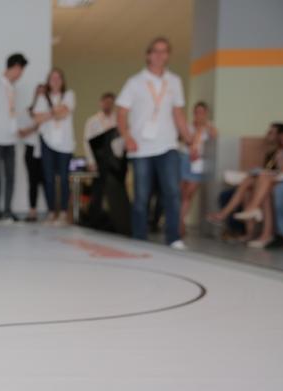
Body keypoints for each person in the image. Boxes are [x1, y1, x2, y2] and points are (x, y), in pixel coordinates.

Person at [117, 36, 192, 250]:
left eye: (164, 51)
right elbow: (121, 113)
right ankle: (139, 238)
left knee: (172, 192)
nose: (160, 55)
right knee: (142, 196)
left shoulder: (174, 81)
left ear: (168, 55)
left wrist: (189, 140)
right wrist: (127, 137)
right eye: (156, 51)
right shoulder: (135, 82)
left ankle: (173, 237)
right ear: (148, 55)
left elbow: (178, 114)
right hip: (140, 148)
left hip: (168, 145)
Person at [208, 123, 282, 242]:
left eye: (271, 132)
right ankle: (249, 231)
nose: (268, 135)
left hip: (272, 183)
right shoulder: (271, 152)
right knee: (245, 188)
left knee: (247, 188)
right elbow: (268, 170)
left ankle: (230, 214)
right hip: (263, 182)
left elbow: (278, 172)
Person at [0, 53, 28, 222]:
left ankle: (7, 212)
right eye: (21, 70)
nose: (21, 74)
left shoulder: (12, 87)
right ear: (15, 67)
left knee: (11, 177)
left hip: (10, 139)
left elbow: (9, 112)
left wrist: (16, 129)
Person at [33, 68, 76, 226]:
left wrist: (47, 114)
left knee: (64, 178)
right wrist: (55, 112)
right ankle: (51, 212)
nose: (56, 81)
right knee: (49, 179)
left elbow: (64, 113)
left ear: (62, 80)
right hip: (47, 141)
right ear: (48, 81)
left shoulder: (69, 95)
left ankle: (63, 213)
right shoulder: (42, 98)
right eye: (52, 78)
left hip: (65, 143)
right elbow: (36, 119)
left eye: (58, 78)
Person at [178, 101, 218, 236]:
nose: (199, 115)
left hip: (198, 163)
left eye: (202, 112)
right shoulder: (188, 127)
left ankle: (180, 223)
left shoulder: (210, 128)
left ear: (206, 113)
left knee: (189, 193)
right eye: (196, 112)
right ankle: (179, 222)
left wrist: (204, 127)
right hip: (184, 159)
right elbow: (185, 140)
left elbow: (215, 139)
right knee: (181, 192)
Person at [18, 84, 46, 221]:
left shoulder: (50, 113)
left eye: (43, 93)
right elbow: (21, 133)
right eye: (38, 93)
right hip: (31, 149)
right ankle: (32, 211)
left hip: (46, 149)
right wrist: (35, 126)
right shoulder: (26, 112)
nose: (40, 96)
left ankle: (52, 211)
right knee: (32, 181)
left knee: (47, 181)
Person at [84, 92, 118, 172]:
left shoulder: (118, 120)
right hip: (99, 159)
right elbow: (87, 142)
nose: (108, 105)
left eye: (110, 103)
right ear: (101, 103)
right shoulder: (92, 121)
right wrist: (91, 161)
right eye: (106, 102)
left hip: (116, 160)